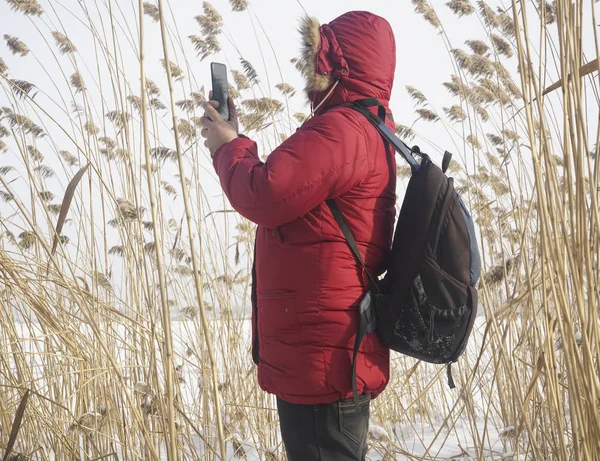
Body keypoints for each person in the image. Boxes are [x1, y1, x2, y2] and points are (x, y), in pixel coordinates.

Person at [200, 10, 397, 461]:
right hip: (327, 354)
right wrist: (235, 140)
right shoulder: (366, 129)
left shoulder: (343, 130)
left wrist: (228, 146)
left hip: (322, 362)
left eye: (320, 59)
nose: (314, 71)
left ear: (340, 63)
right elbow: (290, 193)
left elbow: (266, 193)